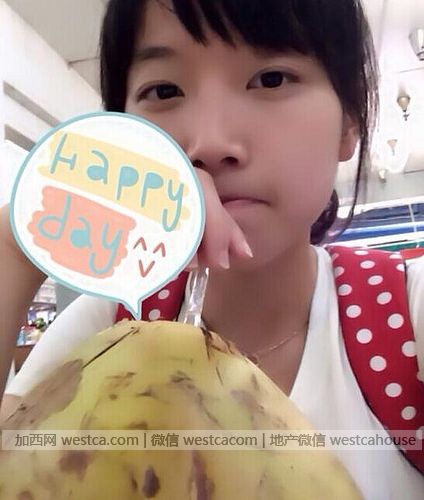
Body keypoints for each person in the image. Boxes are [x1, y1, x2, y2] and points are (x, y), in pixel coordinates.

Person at [0, 0, 423, 497]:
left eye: (271, 79)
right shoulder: (108, 325)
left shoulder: (407, 316)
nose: (209, 143)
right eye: (164, 90)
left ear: (350, 120)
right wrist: (17, 239)